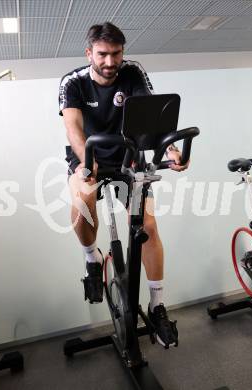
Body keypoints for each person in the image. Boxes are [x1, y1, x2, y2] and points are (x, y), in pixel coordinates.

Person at [59, 22, 189, 347]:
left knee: (148, 226)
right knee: (82, 206)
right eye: (102, 54)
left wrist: (170, 150)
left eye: (116, 53)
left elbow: (154, 117)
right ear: (89, 52)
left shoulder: (133, 72)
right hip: (87, 155)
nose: (109, 61)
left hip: (128, 156)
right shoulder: (73, 82)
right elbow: (73, 127)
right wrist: (86, 161)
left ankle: (157, 304)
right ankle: (92, 259)